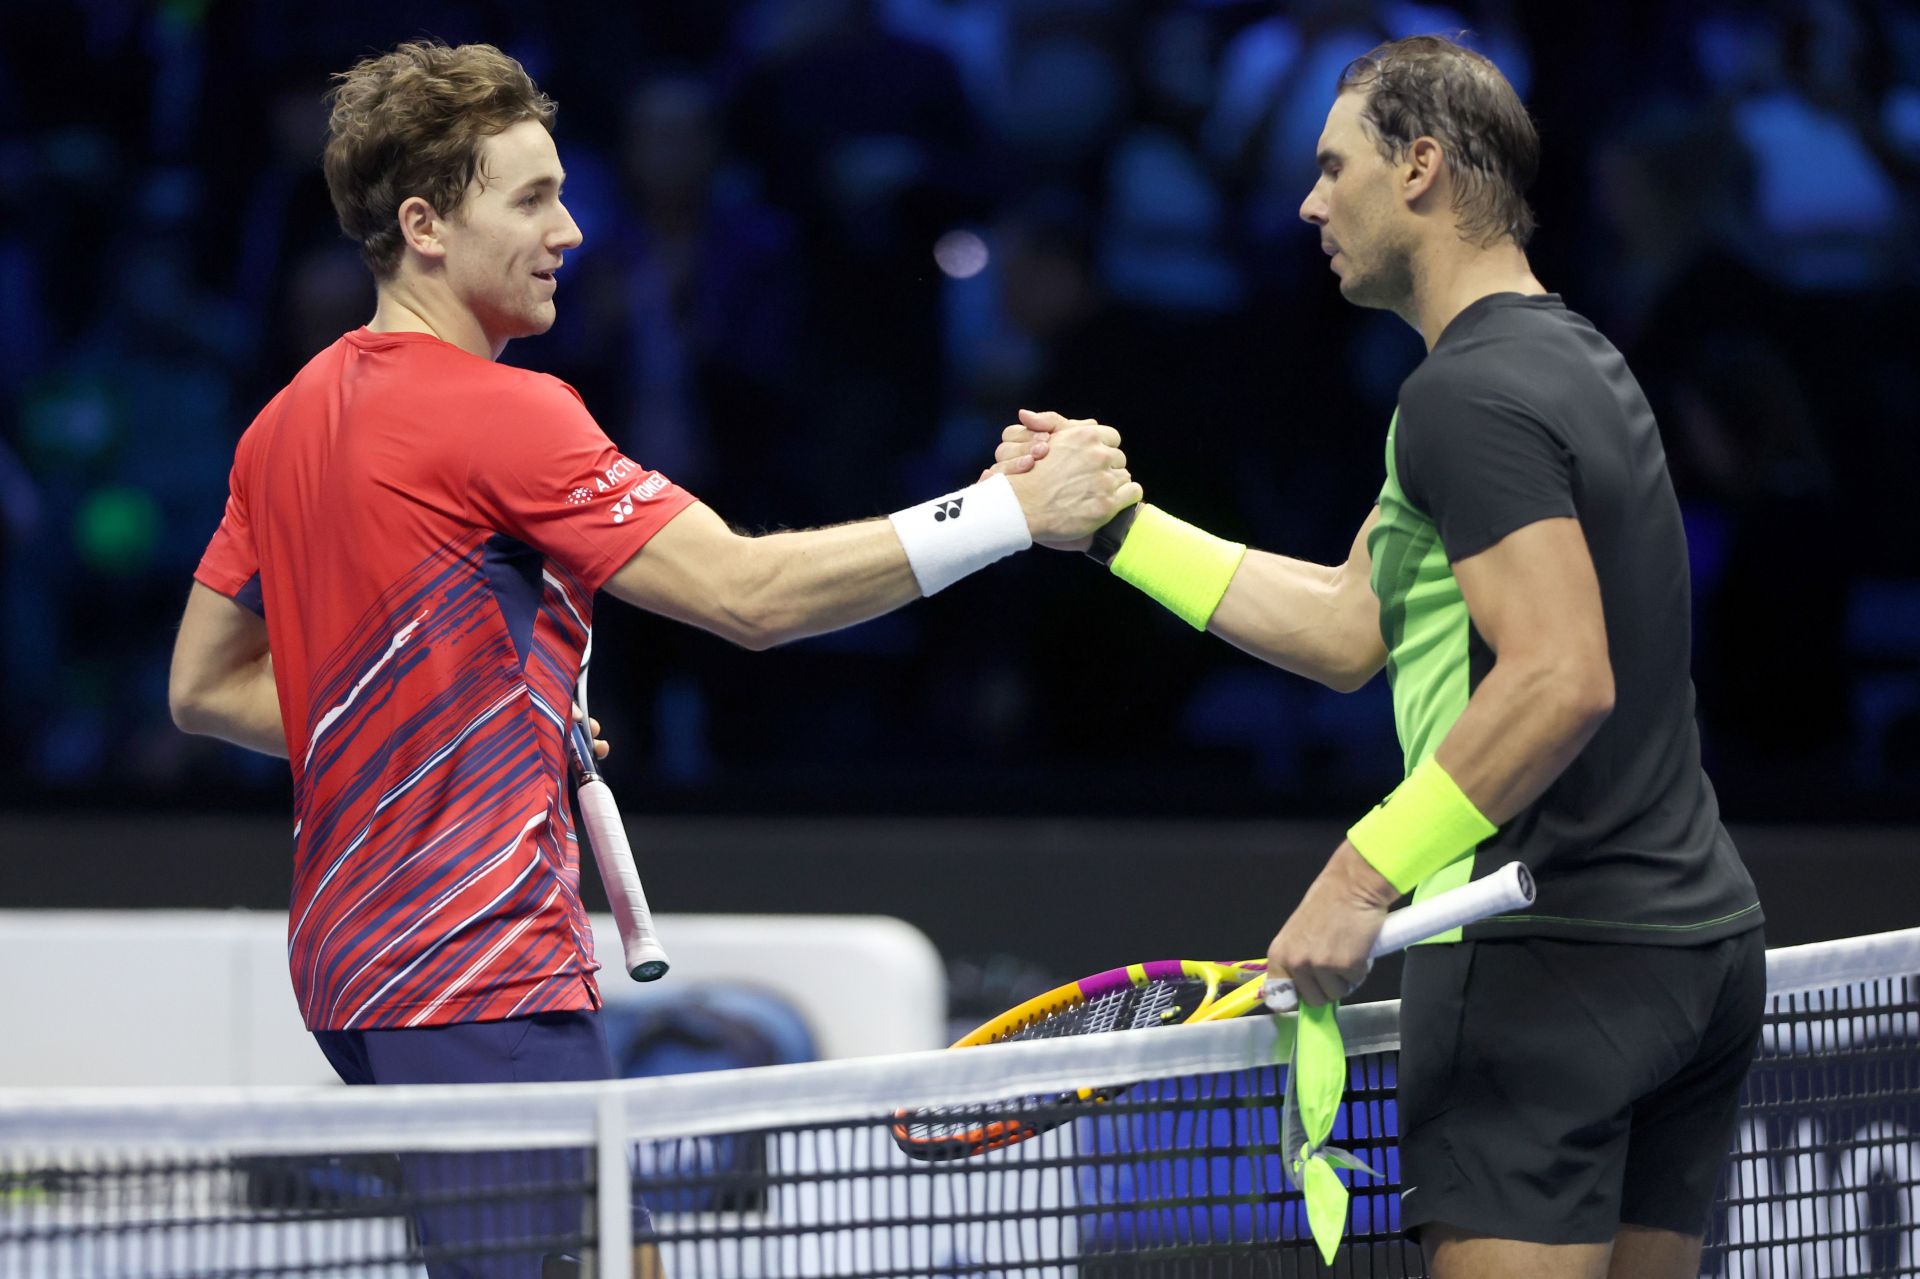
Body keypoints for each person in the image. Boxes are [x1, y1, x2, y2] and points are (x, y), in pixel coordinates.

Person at [165, 39, 1137, 1279]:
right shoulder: (508, 415)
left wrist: (465, 711)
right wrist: (1007, 514)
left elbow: (205, 685)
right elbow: (749, 595)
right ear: (423, 224)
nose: (571, 229)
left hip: (354, 963)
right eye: (530, 199)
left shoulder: (289, 415)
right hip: (474, 968)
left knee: (630, 1259)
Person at [998, 34, 1763, 1279]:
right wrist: (1118, 532)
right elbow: (1357, 623)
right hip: (1693, 944)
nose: (1308, 201)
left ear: (1418, 167)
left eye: (1330, 165)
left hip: (1545, 961)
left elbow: (1561, 674)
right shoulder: (1569, 357)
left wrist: (1361, 879)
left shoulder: (1465, 400)